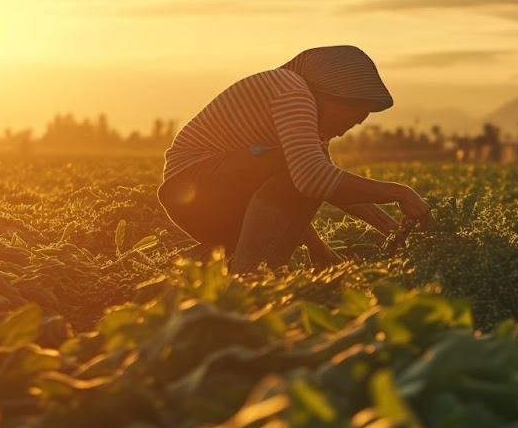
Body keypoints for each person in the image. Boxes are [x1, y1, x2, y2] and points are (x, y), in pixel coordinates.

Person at [158, 45, 431, 270]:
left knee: (303, 168)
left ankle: (225, 261)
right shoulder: (292, 90)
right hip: (194, 185)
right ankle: (248, 273)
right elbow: (314, 180)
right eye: (354, 118)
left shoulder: (299, 107)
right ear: (336, 98)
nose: (348, 129)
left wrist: (388, 228)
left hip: (206, 196)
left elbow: (316, 186)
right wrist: (400, 192)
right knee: (302, 169)